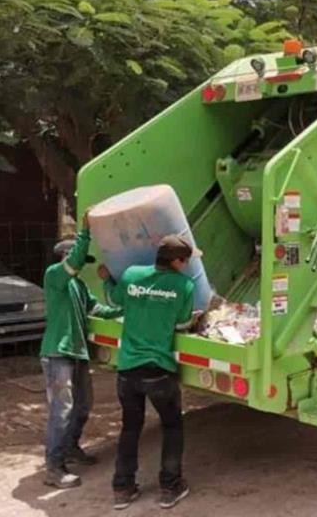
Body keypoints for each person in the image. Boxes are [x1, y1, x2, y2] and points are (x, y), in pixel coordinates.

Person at [103, 235, 198, 510]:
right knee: (171, 426)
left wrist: (108, 279)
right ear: (177, 261)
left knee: (131, 427)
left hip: (128, 370)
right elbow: (182, 323)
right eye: (186, 261)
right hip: (159, 371)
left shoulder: (132, 274)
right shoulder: (184, 285)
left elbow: (115, 301)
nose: (187, 266)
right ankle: (170, 487)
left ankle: (123, 488)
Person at [40, 210, 122, 489]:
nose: (81, 266)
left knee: (83, 406)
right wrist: (85, 231)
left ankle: (71, 448)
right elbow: (75, 261)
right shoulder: (55, 277)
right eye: (77, 260)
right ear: (66, 256)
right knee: (61, 410)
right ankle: (53, 467)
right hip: (58, 352)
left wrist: (127, 307)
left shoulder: (78, 285)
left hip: (76, 353)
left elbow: (97, 309)